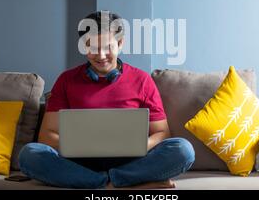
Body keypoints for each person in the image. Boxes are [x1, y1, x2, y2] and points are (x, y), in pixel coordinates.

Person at [18, 11, 195, 189]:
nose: (101, 56)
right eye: (92, 48)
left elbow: (162, 133)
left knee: (183, 150)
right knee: (29, 154)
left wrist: (137, 145)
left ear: (120, 43)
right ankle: (116, 182)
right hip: (79, 163)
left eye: (107, 47)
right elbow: (46, 135)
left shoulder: (142, 80)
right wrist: (81, 145)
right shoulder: (66, 80)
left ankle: (104, 181)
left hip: (132, 161)